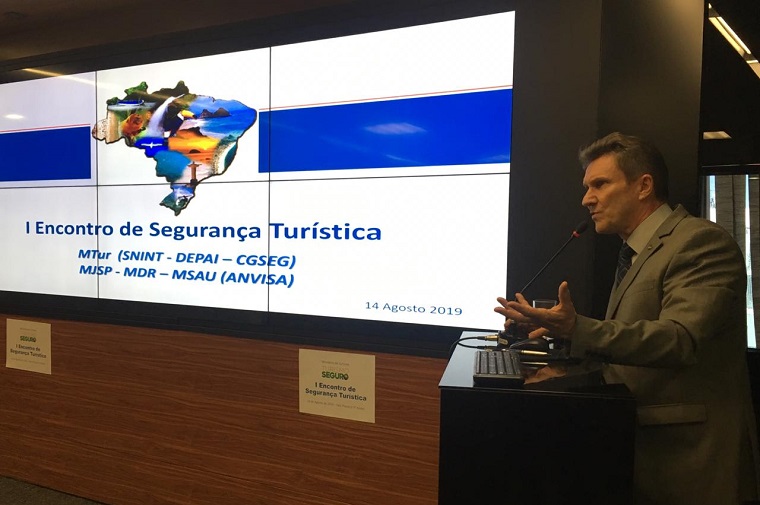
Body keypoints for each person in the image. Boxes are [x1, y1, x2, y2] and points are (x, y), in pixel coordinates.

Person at [495, 132, 760, 505]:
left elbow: (679, 340)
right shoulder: (635, 252)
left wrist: (578, 327)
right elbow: (629, 350)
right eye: (587, 187)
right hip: (641, 450)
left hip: (690, 461)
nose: (587, 198)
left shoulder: (700, 242)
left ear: (643, 186)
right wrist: (563, 341)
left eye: (600, 184)